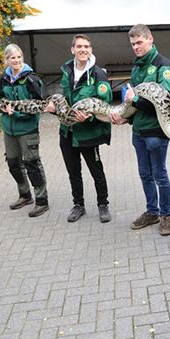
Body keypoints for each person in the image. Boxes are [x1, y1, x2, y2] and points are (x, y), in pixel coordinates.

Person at [111, 24, 170, 236]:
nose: (136, 47)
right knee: (144, 174)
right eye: (133, 44)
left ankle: (166, 215)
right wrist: (126, 120)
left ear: (150, 39)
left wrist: (136, 100)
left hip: (156, 132)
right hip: (139, 131)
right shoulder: (137, 67)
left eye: (139, 42)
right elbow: (135, 105)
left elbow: (165, 103)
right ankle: (152, 212)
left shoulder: (163, 66)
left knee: (160, 175)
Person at [52, 34, 113, 223]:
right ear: (73, 49)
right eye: (79, 46)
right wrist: (55, 110)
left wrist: (89, 118)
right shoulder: (67, 71)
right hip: (67, 131)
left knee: (96, 170)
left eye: (86, 46)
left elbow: (105, 103)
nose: (83, 49)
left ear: (91, 50)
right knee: (73, 171)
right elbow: (64, 102)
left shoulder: (98, 74)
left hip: (89, 132)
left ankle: (103, 205)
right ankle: (78, 205)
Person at [0, 44, 49, 217]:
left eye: (19, 57)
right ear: (7, 60)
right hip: (8, 129)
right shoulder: (3, 78)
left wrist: (16, 112)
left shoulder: (31, 79)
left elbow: (38, 105)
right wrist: (2, 108)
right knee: (13, 164)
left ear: (22, 58)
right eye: (13, 58)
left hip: (27, 128)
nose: (16, 60)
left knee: (32, 163)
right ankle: (25, 195)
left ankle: (42, 201)